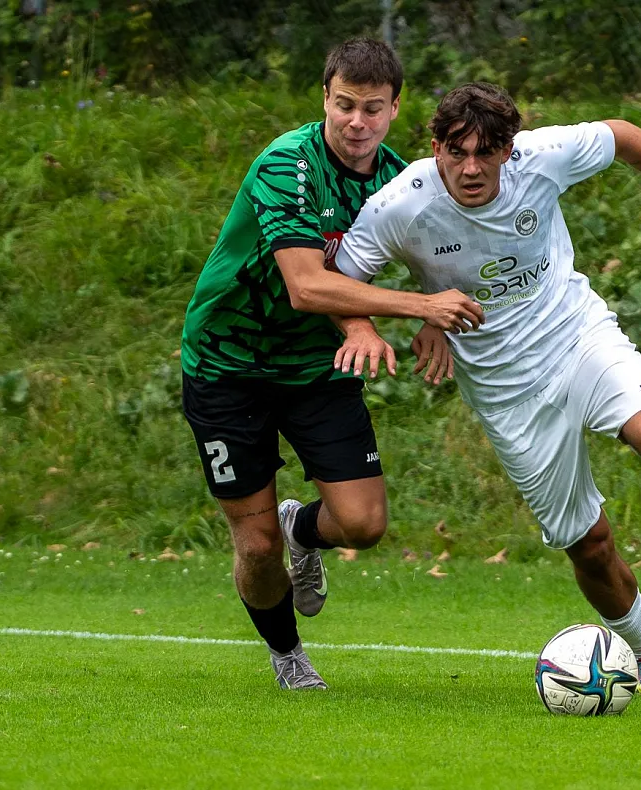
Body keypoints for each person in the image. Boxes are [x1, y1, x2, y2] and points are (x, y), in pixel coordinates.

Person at [333, 82, 641, 695]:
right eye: (457, 152)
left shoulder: (541, 157)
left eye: (486, 153)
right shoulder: (401, 205)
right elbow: (339, 279)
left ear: (509, 149)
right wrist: (382, 322)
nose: (471, 169)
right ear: (435, 146)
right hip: (506, 393)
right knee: (590, 545)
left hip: (578, 337)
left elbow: (623, 136)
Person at [179, 39, 484, 690]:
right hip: (229, 364)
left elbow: (448, 253)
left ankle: (302, 527)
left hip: (318, 364)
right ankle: (287, 652)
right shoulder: (287, 165)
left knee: (363, 525)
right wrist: (416, 306)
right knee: (256, 545)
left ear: (395, 109)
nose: (357, 122)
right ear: (325, 98)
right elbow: (306, 286)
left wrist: (435, 316)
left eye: (372, 108)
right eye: (345, 105)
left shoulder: (401, 181)